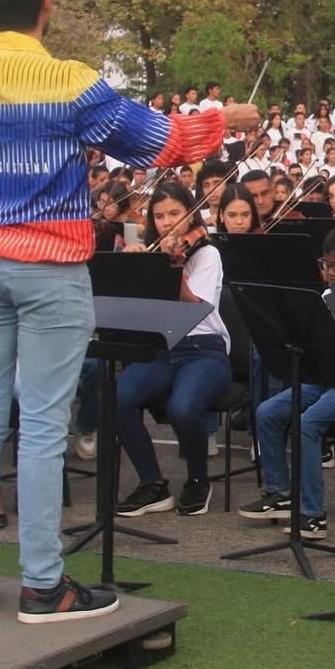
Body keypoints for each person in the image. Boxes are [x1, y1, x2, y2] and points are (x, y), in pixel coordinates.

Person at [0, 0, 260, 622]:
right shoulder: (69, 81)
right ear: (46, 2)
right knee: (42, 425)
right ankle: (44, 585)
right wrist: (223, 120)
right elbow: (159, 144)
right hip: (51, 273)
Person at [237, 222, 335, 539]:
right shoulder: (323, 296)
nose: (331, 272)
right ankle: (280, 492)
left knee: (306, 423)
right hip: (326, 376)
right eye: (327, 265)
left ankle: (313, 513)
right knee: (267, 413)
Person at [114, 182, 231, 518]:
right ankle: (152, 483)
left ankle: (197, 478)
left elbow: (195, 306)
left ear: (191, 213)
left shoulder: (208, 253)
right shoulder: (152, 251)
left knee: (183, 407)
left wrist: (175, 267)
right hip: (162, 346)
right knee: (117, 396)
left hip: (203, 347)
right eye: (160, 215)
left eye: (175, 214)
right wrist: (131, 264)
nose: (167, 222)